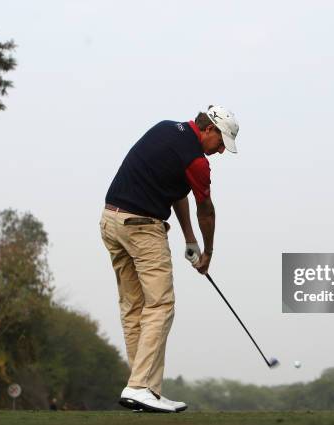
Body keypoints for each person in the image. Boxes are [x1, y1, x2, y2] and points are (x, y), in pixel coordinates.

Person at [99, 105, 239, 413]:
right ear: (210, 129)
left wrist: (189, 239)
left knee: (134, 307)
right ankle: (140, 387)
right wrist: (208, 253)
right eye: (221, 143)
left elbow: (177, 190)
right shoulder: (198, 162)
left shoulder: (166, 129)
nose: (221, 151)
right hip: (141, 228)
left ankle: (144, 390)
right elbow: (207, 210)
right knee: (160, 305)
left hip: (111, 221)